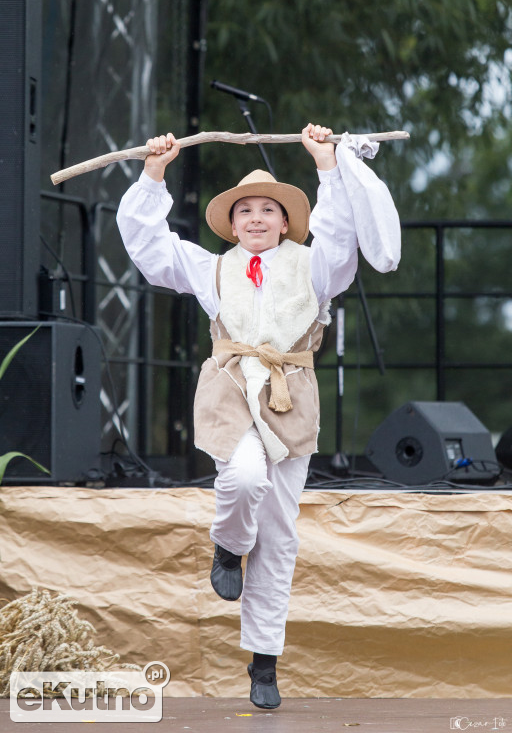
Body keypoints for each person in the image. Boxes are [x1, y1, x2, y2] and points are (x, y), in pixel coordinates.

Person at [117, 123, 400, 709]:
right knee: (243, 478)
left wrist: (326, 165)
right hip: (229, 393)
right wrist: (152, 175)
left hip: (289, 400)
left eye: (267, 209)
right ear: (231, 221)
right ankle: (227, 544)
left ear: (284, 220)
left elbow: (341, 239)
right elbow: (150, 248)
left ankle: (264, 664)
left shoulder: (314, 268)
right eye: (244, 209)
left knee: (279, 536)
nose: (254, 218)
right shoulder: (212, 268)